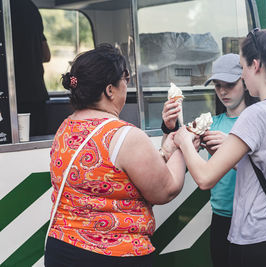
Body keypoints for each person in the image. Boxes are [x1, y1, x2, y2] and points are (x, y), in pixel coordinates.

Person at [173, 24, 266, 267]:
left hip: (255, 237)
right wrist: (229, 156)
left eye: (243, 68)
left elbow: (205, 178)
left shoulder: (256, 115)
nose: (243, 76)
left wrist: (184, 141)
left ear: (255, 65)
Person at [45, 44, 187, 267]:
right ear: (110, 89)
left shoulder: (66, 127)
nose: (126, 85)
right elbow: (165, 190)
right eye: (126, 79)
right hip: (115, 255)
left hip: (62, 249)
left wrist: (165, 152)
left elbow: (111, 176)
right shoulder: (124, 136)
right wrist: (183, 144)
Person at [161, 53, 258, 267]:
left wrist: (231, 150)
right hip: (220, 217)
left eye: (229, 84)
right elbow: (172, 149)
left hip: (252, 218)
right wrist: (170, 126)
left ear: (244, 81)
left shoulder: (256, 121)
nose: (223, 91)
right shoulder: (211, 123)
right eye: (217, 85)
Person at [11, 0, 51, 137]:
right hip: (36, 93)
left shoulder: (5, 7)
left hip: (11, 97)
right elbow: (46, 55)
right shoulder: (31, 8)